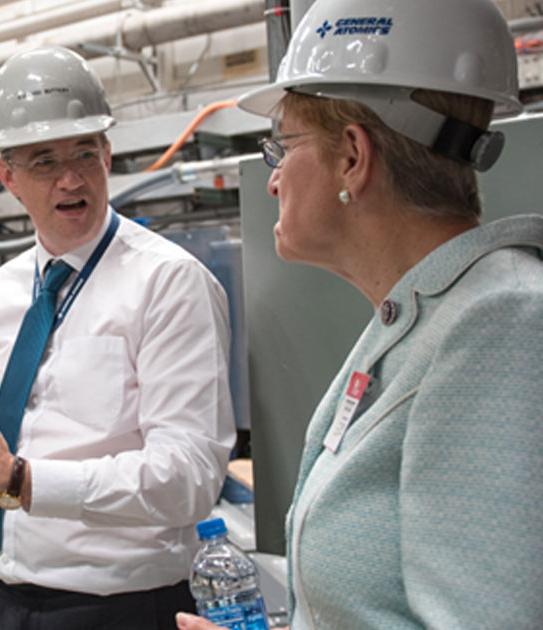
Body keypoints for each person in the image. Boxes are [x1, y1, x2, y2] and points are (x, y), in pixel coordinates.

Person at [176, 0, 543, 628]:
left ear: (352, 157)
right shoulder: (417, 322)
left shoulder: (499, 328)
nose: (273, 179)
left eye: (282, 147)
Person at [0, 46, 236, 629]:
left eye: (85, 153)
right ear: (7, 176)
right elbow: (4, 448)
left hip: (119, 610)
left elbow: (188, 477)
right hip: (2, 598)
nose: (71, 179)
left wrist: (21, 481)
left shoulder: (168, 283)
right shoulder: (1, 294)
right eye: (43, 161)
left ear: (108, 154)